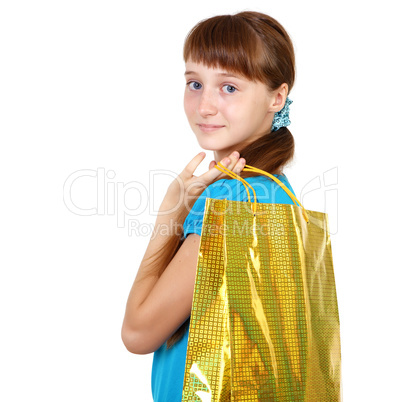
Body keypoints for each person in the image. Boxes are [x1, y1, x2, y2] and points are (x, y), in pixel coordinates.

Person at [121, 10, 298, 401]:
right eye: (195, 83)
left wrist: (170, 215)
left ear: (277, 97)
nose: (204, 106)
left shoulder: (231, 196)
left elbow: (138, 333)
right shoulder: (277, 191)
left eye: (229, 88)